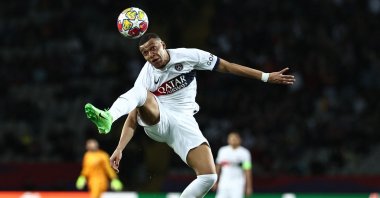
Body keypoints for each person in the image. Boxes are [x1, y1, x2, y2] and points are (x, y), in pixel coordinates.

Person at [84, 33, 295, 198]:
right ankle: (109, 116)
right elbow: (133, 115)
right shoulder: (146, 74)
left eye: (153, 49)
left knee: (209, 177)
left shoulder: (189, 56)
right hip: (159, 119)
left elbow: (226, 66)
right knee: (139, 92)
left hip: (184, 121)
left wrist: (266, 76)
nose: (150, 55)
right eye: (145, 53)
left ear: (163, 45)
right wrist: (120, 148)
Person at [212, 132, 253, 198]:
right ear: (228, 140)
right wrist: (214, 182)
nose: (233, 140)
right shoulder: (223, 151)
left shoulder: (245, 152)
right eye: (231, 138)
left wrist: (248, 186)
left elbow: (247, 170)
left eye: (235, 138)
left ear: (240, 140)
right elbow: (218, 167)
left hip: (238, 182)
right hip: (224, 181)